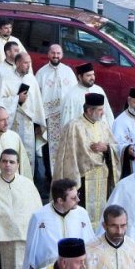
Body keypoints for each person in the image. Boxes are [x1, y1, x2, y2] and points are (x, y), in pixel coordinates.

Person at [53, 94, 119, 229]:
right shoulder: (73, 126)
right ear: (89, 110)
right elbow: (67, 156)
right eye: (100, 110)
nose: (103, 112)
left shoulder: (103, 125)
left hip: (102, 178)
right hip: (82, 178)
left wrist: (106, 148)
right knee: (80, 217)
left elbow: (115, 147)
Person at [0, 148, 43, 269]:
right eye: (4, 161)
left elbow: (37, 210)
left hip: (24, 239)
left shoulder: (27, 185)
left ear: (18, 164)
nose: (8, 165)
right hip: (2, 242)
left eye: (12, 162)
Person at [23, 179, 94, 269]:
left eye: (78, 195)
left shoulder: (82, 214)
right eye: (73, 198)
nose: (78, 200)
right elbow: (31, 252)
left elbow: (90, 244)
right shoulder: (39, 217)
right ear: (60, 200)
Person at [0, 53, 45, 179]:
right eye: (25, 63)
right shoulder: (6, 79)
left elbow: (37, 103)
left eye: (29, 62)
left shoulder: (31, 79)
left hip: (29, 125)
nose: (28, 65)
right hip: (12, 123)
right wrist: (17, 99)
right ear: (17, 63)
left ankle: (30, 182)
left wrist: (39, 123)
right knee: (12, 153)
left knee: (29, 156)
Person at [36, 45, 76, 181]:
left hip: (66, 117)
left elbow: (74, 94)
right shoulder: (41, 73)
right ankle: (50, 177)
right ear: (48, 54)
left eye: (58, 53)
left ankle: (65, 176)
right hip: (49, 118)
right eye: (53, 53)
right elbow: (36, 96)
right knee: (48, 149)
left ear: (62, 54)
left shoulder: (68, 72)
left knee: (66, 147)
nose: (56, 56)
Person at [84, 205, 135, 269]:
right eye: (114, 226)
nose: (119, 231)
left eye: (123, 226)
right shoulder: (89, 250)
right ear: (104, 226)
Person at [60, 64, 114, 128]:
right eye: (88, 75)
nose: (92, 78)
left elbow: (108, 113)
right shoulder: (71, 96)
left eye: (93, 74)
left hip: (99, 133)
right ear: (80, 77)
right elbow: (66, 123)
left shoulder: (99, 90)